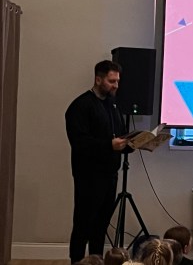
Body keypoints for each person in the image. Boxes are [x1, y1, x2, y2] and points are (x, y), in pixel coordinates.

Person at [65, 60, 129, 263]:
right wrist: (109, 145)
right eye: (111, 81)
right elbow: (80, 142)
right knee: (83, 225)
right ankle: (77, 262)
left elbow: (118, 135)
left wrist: (133, 143)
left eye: (117, 81)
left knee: (101, 227)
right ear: (98, 79)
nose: (116, 86)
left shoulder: (113, 106)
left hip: (110, 175)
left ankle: (97, 261)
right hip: (88, 177)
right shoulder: (80, 106)